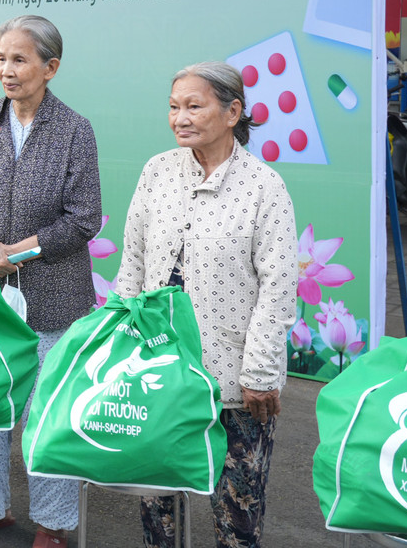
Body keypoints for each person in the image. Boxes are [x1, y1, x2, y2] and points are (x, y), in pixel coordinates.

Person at [114, 62, 297, 548]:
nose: (180, 118)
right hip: (160, 372)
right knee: (158, 507)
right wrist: (116, 348)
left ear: (233, 111)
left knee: (236, 514)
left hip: (234, 378)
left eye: (194, 106)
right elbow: (132, 263)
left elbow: (277, 288)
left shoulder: (264, 186)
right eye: (174, 107)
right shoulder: (157, 171)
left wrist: (259, 375)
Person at [0, 15, 102, 547]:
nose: (6, 71)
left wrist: (23, 251)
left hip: (55, 296)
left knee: (45, 415)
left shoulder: (74, 129)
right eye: (1, 59)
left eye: (19, 60)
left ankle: (54, 524)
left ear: (50, 68)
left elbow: (86, 218)